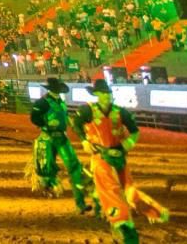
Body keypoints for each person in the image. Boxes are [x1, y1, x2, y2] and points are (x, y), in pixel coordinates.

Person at [72, 78, 169, 243]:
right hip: (101, 157)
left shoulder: (120, 112)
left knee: (127, 189)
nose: (106, 96)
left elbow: (134, 131)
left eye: (108, 93)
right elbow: (76, 123)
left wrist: (124, 147)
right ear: (97, 95)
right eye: (103, 93)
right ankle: (123, 225)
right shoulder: (88, 110)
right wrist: (84, 140)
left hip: (118, 156)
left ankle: (136, 214)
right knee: (111, 190)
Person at [29, 76, 89, 214]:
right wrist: (45, 124)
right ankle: (49, 188)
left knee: (73, 166)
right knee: (46, 166)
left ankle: (79, 202)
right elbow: (34, 117)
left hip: (61, 136)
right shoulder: (43, 102)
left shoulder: (60, 102)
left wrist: (69, 123)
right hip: (48, 136)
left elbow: (64, 116)